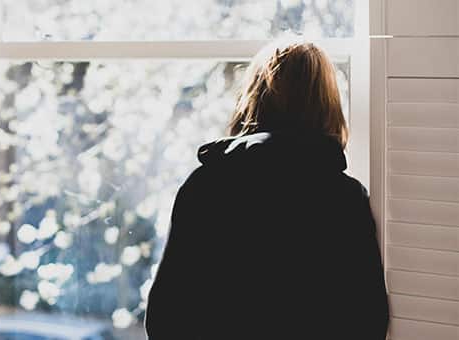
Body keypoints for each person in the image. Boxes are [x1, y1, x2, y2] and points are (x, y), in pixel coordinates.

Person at [144, 41, 389, 339]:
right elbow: (367, 320)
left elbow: (164, 318)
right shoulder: (345, 198)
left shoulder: (204, 186)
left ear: (254, 97)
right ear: (327, 104)